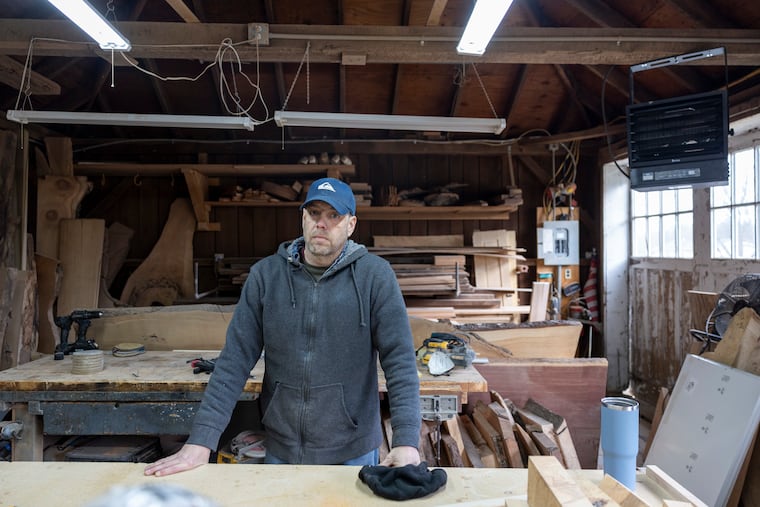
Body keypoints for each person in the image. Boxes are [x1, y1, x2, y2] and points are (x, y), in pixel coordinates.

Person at [145, 177, 421, 476]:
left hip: (352, 451)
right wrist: (201, 440)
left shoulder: (375, 277)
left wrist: (406, 441)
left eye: (333, 216)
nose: (322, 223)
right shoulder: (266, 276)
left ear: (350, 224)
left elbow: (400, 362)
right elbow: (234, 361)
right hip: (281, 449)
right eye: (314, 213)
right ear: (303, 217)